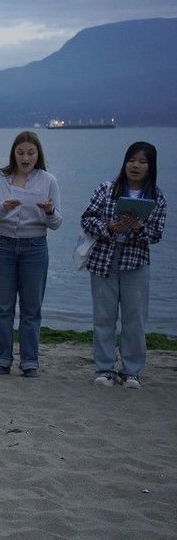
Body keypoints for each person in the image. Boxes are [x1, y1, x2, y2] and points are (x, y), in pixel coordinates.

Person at [80, 141, 167, 389]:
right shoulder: (106, 189)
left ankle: (131, 371)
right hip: (104, 259)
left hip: (136, 262)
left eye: (142, 161)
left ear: (151, 166)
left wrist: (138, 227)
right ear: (125, 162)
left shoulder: (156, 197)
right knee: (104, 317)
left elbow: (157, 234)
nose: (135, 166)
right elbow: (87, 219)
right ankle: (105, 369)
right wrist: (108, 227)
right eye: (132, 160)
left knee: (134, 319)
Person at [0, 131, 62, 377]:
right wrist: (2, 207)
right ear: (13, 153)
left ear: (38, 155)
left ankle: (29, 362)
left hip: (34, 247)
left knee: (31, 308)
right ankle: (2, 360)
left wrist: (48, 211)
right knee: (3, 307)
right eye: (21, 152)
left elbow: (57, 223)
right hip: (2, 245)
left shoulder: (48, 180)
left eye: (31, 153)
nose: (25, 157)